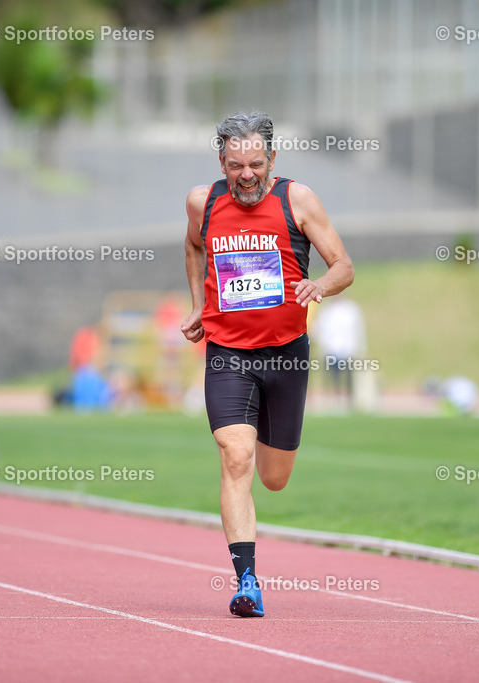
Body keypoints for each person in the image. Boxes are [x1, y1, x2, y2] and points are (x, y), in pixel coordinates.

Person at [181, 110, 354, 617]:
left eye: (256, 163)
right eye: (236, 165)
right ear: (222, 162)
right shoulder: (203, 202)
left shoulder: (297, 200)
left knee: (274, 477)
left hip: (287, 357)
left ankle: (268, 450)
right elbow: (193, 247)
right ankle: (247, 581)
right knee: (236, 456)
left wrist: (318, 285)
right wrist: (197, 304)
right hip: (228, 355)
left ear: (272, 159)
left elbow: (343, 265)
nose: (246, 175)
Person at [312, 294, 366, 411]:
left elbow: (358, 329)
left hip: (348, 349)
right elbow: (320, 329)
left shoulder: (351, 309)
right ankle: (334, 401)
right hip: (331, 349)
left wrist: (360, 347)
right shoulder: (327, 311)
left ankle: (350, 402)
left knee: (349, 378)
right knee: (333, 377)